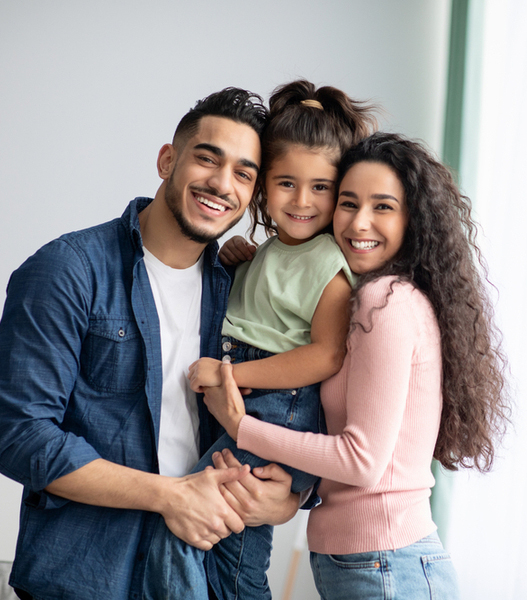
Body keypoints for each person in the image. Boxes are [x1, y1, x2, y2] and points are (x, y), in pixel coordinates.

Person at [0, 87, 301, 600]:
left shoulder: (241, 289)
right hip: (88, 578)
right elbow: (23, 437)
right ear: (167, 160)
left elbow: (292, 405)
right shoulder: (68, 270)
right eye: (208, 158)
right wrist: (170, 497)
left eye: (244, 174)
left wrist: (291, 497)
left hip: (206, 575)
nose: (222, 184)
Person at [204, 132, 511, 600]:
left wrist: (241, 426)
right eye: (348, 203)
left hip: (387, 565)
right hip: (371, 562)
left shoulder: (385, 303)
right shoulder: (365, 298)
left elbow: (362, 462)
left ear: (414, 219)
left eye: (383, 206)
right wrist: (295, 494)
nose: (359, 222)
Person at [145, 79, 377, 600]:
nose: (302, 201)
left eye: (321, 188)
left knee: (190, 535)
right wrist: (242, 264)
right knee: (229, 556)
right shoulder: (269, 251)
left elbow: (326, 354)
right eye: (286, 183)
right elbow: (270, 310)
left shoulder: (328, 265)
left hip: (276, 407)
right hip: (258, 402)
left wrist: (230, 376)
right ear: (264, 188)